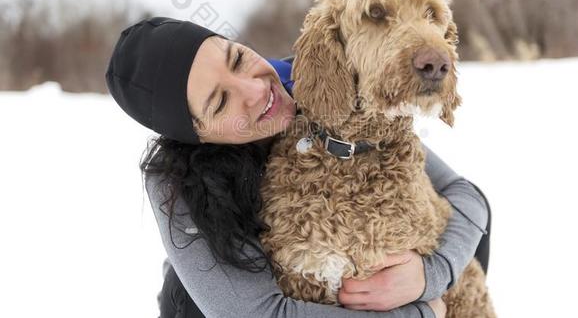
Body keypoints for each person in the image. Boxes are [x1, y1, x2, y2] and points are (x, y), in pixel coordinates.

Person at [106, 17, 491, 318]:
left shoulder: (316, 84)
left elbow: (466, 196)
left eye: (238, 59)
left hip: (344, 283)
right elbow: (250, 313)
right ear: (195, 137)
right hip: (246, 305)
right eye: (221, 102)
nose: (256, 90)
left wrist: (431, 275)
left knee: (460, 232)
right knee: (189, 299)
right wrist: (419, 314)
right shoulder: (173, 183)